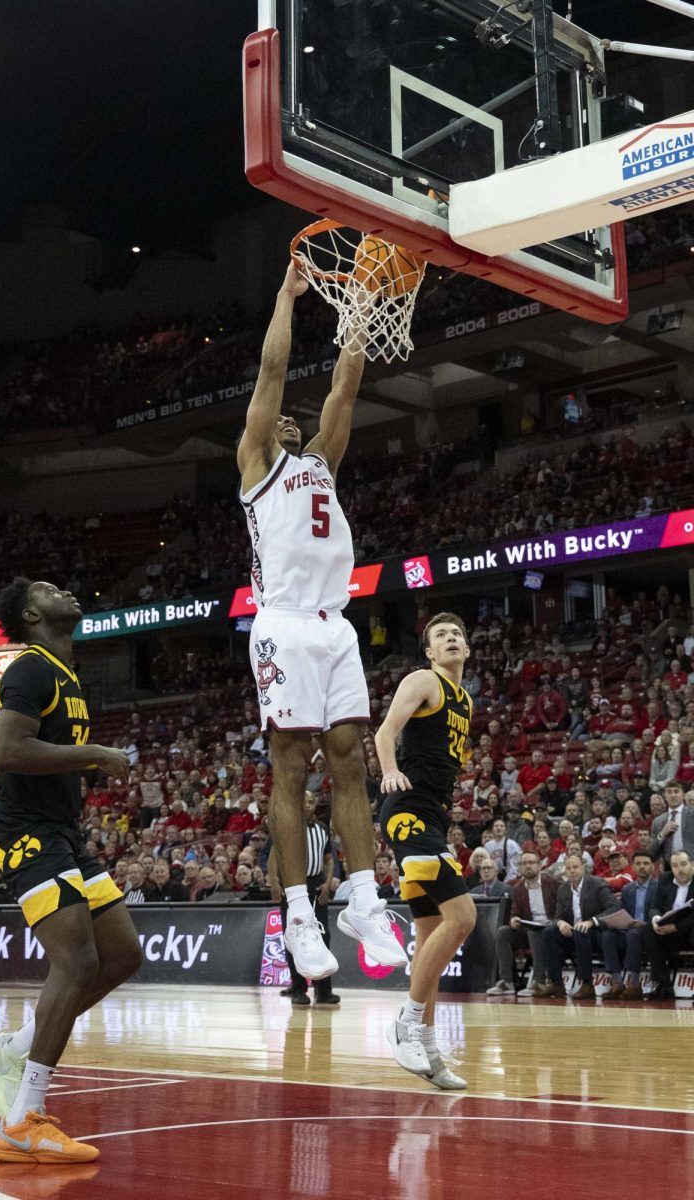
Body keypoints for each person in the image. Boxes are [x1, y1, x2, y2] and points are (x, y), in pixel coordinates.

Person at [236, 259, 405, 981]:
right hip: (282, 626)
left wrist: (360, 305)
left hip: (336, 626)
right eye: (274, 415)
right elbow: (273, 367)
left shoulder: (323, 466)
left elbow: (345, 383)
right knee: (290, 770)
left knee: (349, 765)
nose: (286, 414)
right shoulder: (255, 465)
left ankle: (364, 900)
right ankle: (299, 914)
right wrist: (286, 298)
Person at [0, 577, 142, 1164]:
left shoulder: (68, 676)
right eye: (50, 589)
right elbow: (8, 752)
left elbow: (46, 756)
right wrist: (95, 754)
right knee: (77, 961)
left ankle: (16, 1045)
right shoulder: (30, 668)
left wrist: (87, 771)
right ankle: (21, 1121)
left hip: (65, 835)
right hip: (27, 837)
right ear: (31, 613)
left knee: (123, 954)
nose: (68, 591)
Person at [375, 611, 478, 1089]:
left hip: (434, 812)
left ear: (467, 648)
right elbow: (384, 731)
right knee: (463, 917)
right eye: (442, 636)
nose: (452, 639)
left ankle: (431, 1053)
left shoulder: (466, 700)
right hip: (408, 806)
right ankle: (406, 1022)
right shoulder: (423, 680)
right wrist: (390, 769)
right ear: (430, 652)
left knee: (432, 929)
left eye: (458, 633)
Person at [270, 791, 339, 1007]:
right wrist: (274, 882)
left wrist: (328, 882)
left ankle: (323, 990)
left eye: (311, 802)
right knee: (294, 937)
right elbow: (273, 856)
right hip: (293, 886)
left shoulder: (322, 828)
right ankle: (299, 988)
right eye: (305, 802)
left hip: (317, 885)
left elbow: (329, 859)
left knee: (323, 936)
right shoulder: (287, 826)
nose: (309, 805)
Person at [535, 853, 620, 1000]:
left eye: (575, 867)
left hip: (595, 933)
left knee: (581, 931)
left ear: (583, 868)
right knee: (549, 932)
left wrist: (591, 921)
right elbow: (557, 917)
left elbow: (614, 907)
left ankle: (587, 984)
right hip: (572, 933)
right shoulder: (563, 889)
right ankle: (556, 983)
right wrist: (561, 923)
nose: (572, 871)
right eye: (568, 868)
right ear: (564, 871)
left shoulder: (597, 883)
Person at [487, 850, 560, 996]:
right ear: (519, 868)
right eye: (523, 863)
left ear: (539, 866)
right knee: (503, 932)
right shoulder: (518, 888)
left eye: (531, 862)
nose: (528, 866)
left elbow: (562, 908)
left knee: (535, 932)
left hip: (552, 929)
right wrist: (513, 919)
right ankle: (507, 982)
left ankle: (538, 982)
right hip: (530, 928)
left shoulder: (553, 883)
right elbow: (515, 912)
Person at [597, 849, 657, 1000]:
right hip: (629, 929)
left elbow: (661, 911)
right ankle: (617, 982)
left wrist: (644, 924)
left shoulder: (659, 887)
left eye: (646, 863)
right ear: (633, 867)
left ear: (652, 867)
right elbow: (622, 911)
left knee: (633, 934)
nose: (642, 866)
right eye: (638, 863)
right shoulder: (627, 889)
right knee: (607, 935)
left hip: (651, 932)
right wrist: (616, 921)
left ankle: (635, 984)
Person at [640, 849, 694, 999]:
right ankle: (663, 985)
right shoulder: (665, 879)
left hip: (688, 930)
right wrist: (656, 919)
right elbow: (653, 906)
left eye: (683, 864)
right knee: (647, 930)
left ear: (692, 865)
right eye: (675, 866)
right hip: (668, 931)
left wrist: (676, 927)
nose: (679, 869)